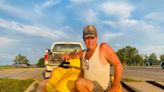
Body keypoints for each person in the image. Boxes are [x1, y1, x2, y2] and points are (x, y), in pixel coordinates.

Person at [62, 25, 123, 92]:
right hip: (89, 88)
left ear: (96, 38)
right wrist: (66, 56)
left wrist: (114, 87)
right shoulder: (83, 53)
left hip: (102, 89)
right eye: (87, 38)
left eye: (92, 38)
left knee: (79, 82)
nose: (90, 41)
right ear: (83, 39)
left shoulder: (103, 48)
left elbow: (118, 65)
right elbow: (73, 56)